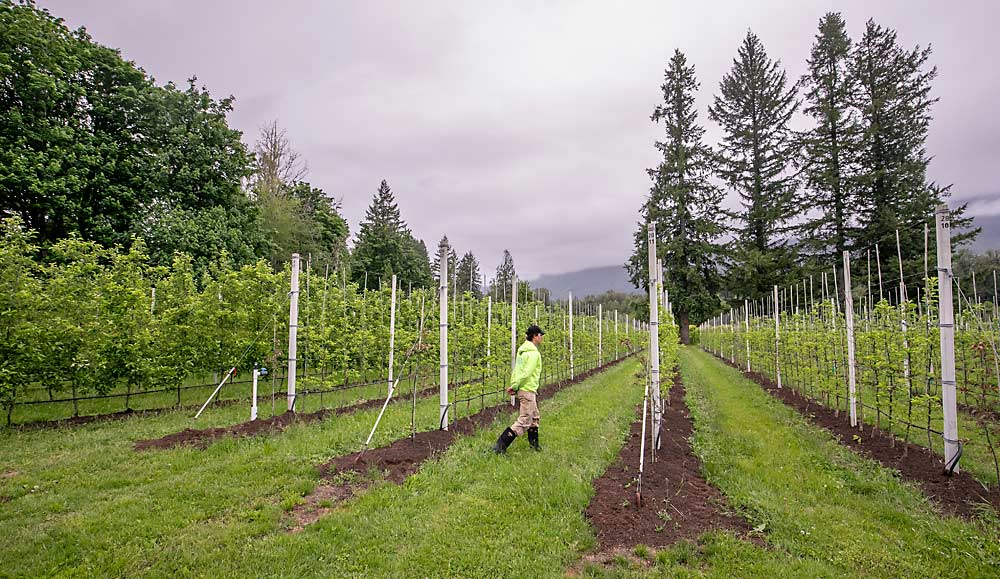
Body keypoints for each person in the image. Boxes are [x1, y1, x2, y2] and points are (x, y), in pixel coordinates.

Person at [492, 324, 544, 454]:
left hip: (524, 388)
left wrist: (515, 385)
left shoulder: (522, 352)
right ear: (534, 336)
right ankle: (500, 446)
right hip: (528, 389)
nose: (542, 337)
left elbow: (517, 371)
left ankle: (534, 446)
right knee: (525, 419)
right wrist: (515, 386)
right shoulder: (533, 354)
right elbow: (526, 373)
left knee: (535, 417)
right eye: (540, 335)